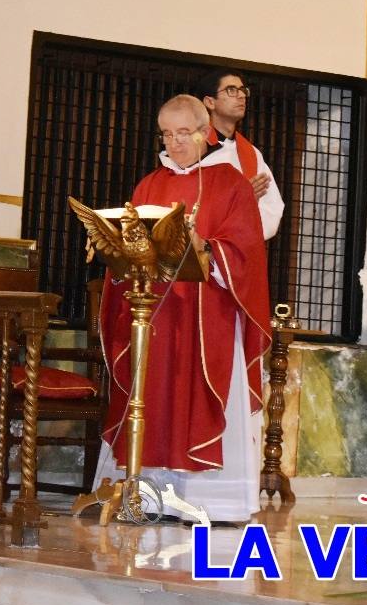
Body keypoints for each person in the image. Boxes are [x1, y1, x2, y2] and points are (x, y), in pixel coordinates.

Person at [94, 94, 272, 523]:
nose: (174, 144)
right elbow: (130, 244)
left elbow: (246, 250)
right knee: (151, 395)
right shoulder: (149, 185)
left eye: (183, 134)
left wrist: (207, 250)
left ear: (204, 133)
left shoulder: (229, 183)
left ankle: (213, 502)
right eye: (167, 135)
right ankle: (146, 493)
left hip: (207, 316)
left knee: (198, 397)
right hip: (154, 315)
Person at [195, 69, 285, 240]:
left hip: (236, 252)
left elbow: (272, 208)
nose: (242, 96)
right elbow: (185, 198)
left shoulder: (250, 153)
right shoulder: (194, 146)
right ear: (210, 102)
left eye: (243, 90)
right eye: (231, 90)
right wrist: (241, 196)